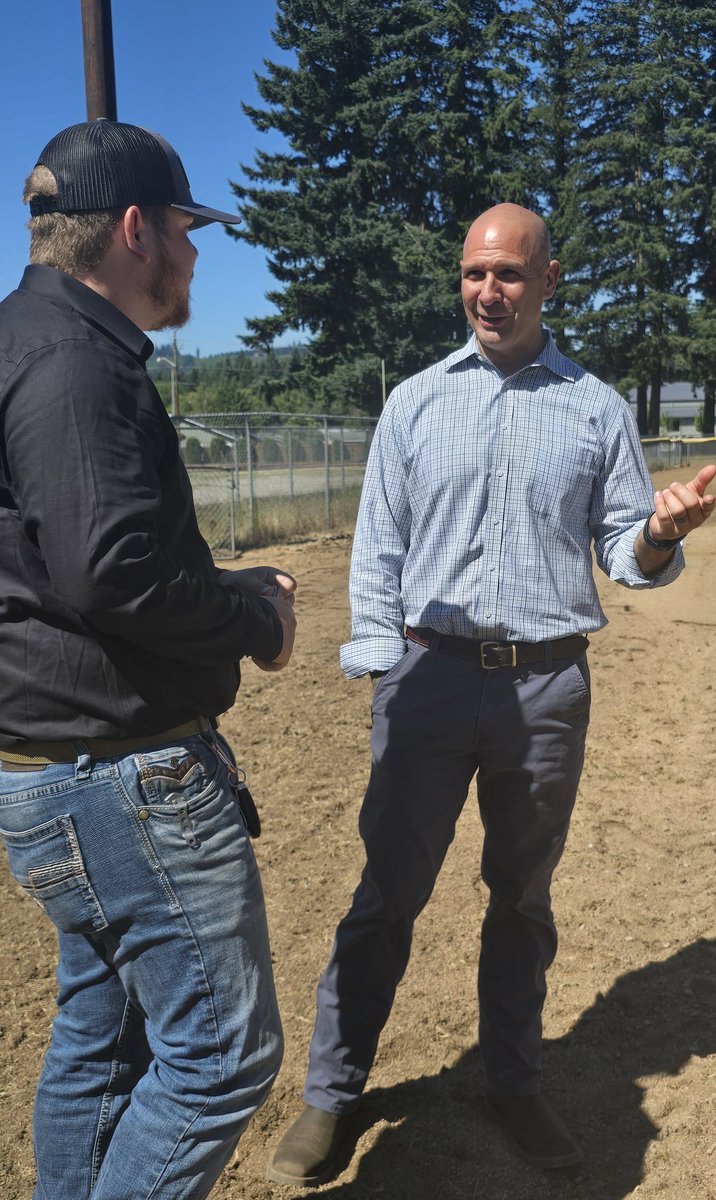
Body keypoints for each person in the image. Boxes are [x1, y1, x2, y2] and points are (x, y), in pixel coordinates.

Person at [267, 202, 716, 1185]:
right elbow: (376, 544)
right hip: (427, 681)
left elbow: (623, 552)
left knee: (521, 895)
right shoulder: (417, 404)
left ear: (549, 282)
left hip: (548, 686)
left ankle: (513, 1080)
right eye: (474, 272)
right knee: (387, 892)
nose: (488, 290)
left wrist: (661, 534)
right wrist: (383, 667)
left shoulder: (594, 408)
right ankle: (331, 1094)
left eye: (509, 273)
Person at [0, 119, 297, 1200]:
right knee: (222, 1059)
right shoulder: (77, 366)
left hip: (51, 771)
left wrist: (226, 590)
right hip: (122, 779)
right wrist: (254, 620)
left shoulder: (21, 340)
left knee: (105, 1023)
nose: (196, 251)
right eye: (186, 227)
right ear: (135, 229)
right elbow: (111, 572)